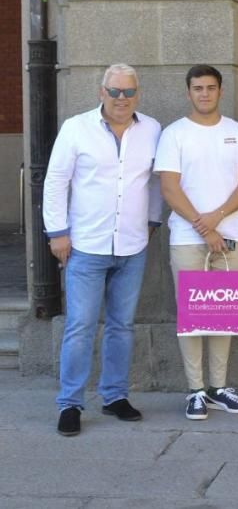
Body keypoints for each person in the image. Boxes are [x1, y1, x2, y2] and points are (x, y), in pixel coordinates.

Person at [44, 63, 163, 437]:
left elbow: (158, 181)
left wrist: (153, 220)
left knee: (121, 325)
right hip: (86, 246)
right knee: (79, 326)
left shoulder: (152, 130)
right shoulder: (76, 128)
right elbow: (55, 181)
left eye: (129, 92)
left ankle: (114, 396)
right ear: (101, 93)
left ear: (137, 95)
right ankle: (70, 403)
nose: (121, 99)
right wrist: (57, 233)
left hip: (132, 245)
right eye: (114, 92)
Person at [155, 65, 238, 420]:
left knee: (224, 315)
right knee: (193, 316)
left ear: (220, 91)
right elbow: (170, 188)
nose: (204, 94)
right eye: (197, 88)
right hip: (188, 239)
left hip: (230, 236)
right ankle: (195, 390)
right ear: (188, 92)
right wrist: (205, 227)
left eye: (210, 88)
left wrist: (217, 217)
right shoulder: (174, 134)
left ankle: (218, 387)